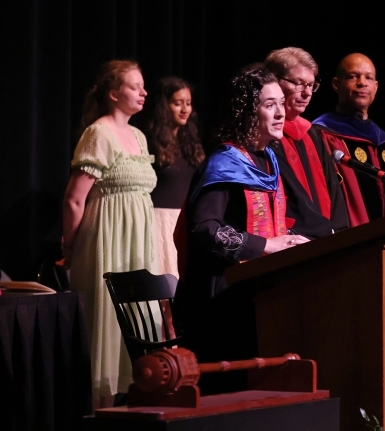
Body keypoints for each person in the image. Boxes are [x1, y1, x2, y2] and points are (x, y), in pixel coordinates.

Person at [180, 68, 308, 394]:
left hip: (256, 291)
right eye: (269, 105)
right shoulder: (224, 163)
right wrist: (265, 246)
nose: (280, 112)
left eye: (281, 103)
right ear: (248, 111)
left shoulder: (266, 160)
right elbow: (205, 230)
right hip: (219, 299)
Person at [61, 60, 157, 408]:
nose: (144, 92)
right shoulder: (98, 134)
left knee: (138, 320)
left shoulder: (137, 135)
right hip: (106, 241)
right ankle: (99, 414)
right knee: (108, 322)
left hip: (137, 243)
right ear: (114, 93)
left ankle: (134, 410)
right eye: (135, 86)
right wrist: (69, 247)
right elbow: (74, 199)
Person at [312, 53, 385, 227]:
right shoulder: (322, 134)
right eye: (352, 76)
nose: (362, 82)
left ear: (376, 86)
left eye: (369, 78)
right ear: (336, 84)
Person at [264, 47, 348, 236]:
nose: (307, 93)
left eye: (311, 85)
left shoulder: (311, 132)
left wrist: (338, 231)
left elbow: (333, 189)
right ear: (274, 82)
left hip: (328, 239)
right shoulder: (264, 135)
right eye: (299, 83)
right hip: (295, 239)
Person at [142, 77, 205, 279]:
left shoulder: (191, 143)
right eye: (177, 103)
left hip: (184, 220)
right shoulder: (149, 142)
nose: (184, 109)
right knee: (164, 286)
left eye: (188, 103)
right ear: (164, 106)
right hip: (158, 222)